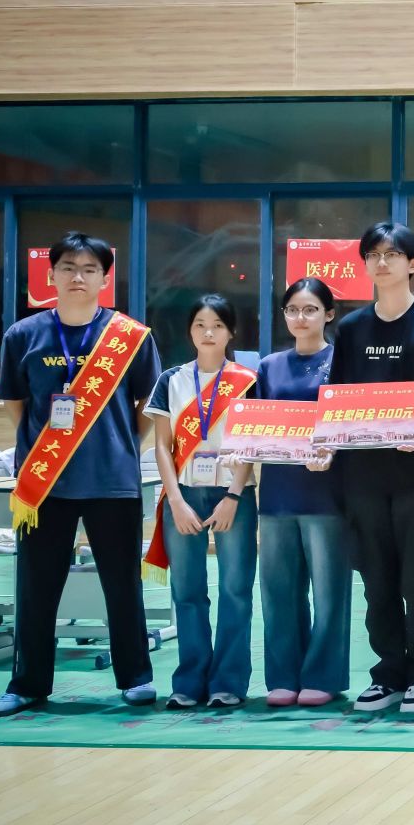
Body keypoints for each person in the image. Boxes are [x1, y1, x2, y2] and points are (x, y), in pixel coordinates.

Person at [0, 233, 162, 718]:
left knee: (122, 586)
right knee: (35, 588)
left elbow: (148, 404)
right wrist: (41, 447)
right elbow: (16, 405)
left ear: (105, 278)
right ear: (50, 276)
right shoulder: (23, 335)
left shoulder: (130, 336)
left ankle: (136, 678)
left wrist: (119, 442)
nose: (77, 277)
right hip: (45, 483)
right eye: (67, 267)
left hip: (113, 481)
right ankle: (27, 684)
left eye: (89, 269)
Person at [330, 223, 414, 714]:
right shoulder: (351, 329)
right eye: (373, 255)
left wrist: (410, 420)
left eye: (392, 254)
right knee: (377, 580)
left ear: (413, 263)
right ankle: (388, 674)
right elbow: (337, 397)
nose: (381, 263)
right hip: (363, 477)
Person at [144, 294, 257, 709]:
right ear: (189, 330)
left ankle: (228, 682)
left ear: (231, 332)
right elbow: (162, 445)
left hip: (234, 496)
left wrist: (233, 495)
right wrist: (175, 500)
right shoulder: (171, 381)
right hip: (184, 494)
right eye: (200, 325)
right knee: (187, 590)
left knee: (235, 589)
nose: (208, 333)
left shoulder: (247, 380)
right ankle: (189, 681)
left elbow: (250, 444)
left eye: (217, 325)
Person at [253, 277, 351, 707]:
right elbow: (255, 426)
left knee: (329, 593)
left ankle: (323, 677)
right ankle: (282, 676)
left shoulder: (343, 362)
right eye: (292, 310)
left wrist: (333, 450)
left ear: (328, 314)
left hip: (328, 495)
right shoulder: (269, 366)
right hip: (277, 494)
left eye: (310, 309)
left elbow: (353, 424)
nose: (300, 317)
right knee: (278, 592)